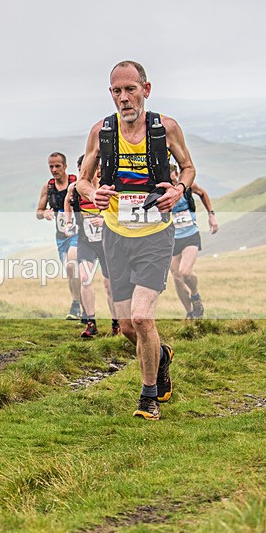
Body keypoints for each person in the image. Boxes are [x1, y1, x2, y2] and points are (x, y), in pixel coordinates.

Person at [77, 60, 196, 421]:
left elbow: (189, 168)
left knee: (143, 318)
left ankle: (148, 397)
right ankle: (160, 355)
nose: (124, 98)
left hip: (156, 236)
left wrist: (178, 189)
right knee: (127, 326)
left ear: (146, 89)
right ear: (110, 94)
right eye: (117, 91)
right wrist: (92, 192)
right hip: (116, 235)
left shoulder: (166, 128)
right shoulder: (102, 131)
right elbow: (81, 180)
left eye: (131, 89)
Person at [64, 154, 120, 338]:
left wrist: (104, 220)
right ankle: (91, 322)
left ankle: (116, 323)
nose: (85, 172)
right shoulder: (75, 188)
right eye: (82, 169)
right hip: (85, 240)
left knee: (109, 285)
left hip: (107, 241)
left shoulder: (107, 187)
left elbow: (120, 210)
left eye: (90, 168)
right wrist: (68, 221)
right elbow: (67, 201)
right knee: (85, 277)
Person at [36, 152, 83, 320]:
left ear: (65, 166)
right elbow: (38, 212)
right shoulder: (48, 187)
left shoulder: (75, 183)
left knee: (72, 265)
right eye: (51, 167)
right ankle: (78, 304)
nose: (54, 170)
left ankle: (77, 305)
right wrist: (46, 213)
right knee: (71, 272)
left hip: (78, 232)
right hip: (61, 236)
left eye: (57, 166)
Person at [168, 164, 218, 319]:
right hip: (171, 239)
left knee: (185, 272)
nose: (172, 180)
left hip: (190, 235)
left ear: (176, 174)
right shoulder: (161, 191)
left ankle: (195, 296)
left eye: (173, 176)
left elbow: (202, 193)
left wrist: (211, 215)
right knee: (177, 278)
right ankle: (191, 313)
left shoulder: (187, 187)